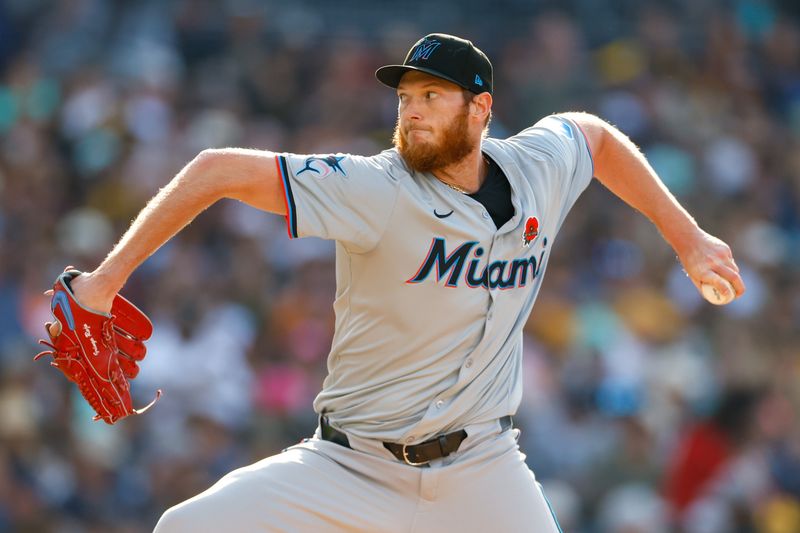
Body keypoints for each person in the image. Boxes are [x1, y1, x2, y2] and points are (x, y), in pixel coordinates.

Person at [51, 33, 745, 532]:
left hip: (483, 467)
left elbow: (593, 137)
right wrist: (105, 282)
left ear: (481, 109)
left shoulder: (536, 168)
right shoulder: (374, 187)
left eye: (432, 96)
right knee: (185, 528)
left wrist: (686, 235)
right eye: (407, 96)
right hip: (350, 467)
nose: (411, 110)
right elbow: (213, 168)